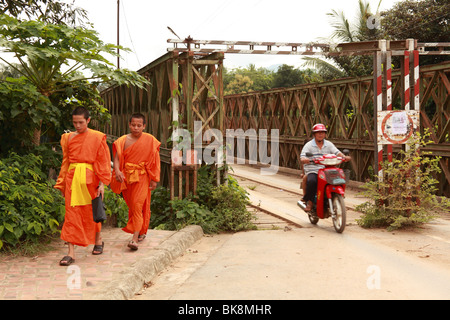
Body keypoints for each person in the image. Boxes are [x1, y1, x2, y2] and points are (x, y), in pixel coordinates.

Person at [54, 107, 111, 266]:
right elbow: (66, 162)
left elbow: (103, 161)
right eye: (74, 122)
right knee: (71, 215)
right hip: (72, 180)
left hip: (90, 180)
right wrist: (62, 182)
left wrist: (102, 184)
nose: (77, 125)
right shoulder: (67, 138)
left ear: (88, 120)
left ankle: (98, 240)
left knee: (93, 211)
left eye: (81, 122)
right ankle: (70, 253)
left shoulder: (97, 137)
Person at [111, 113, 161, 251]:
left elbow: (155, 160)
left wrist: (154, 179)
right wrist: (117, 171)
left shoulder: (150, 140)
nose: (136, 128)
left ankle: (134, 239)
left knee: (137, 205)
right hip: (126, 177)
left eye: (139, 125)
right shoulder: (123, 140)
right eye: (133, 125)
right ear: (129, 125)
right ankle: (141, 231)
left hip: (142, 177)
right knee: (132, 206)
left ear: (144, 126)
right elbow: (116, 159)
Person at [300, 124, 350, 212]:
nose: (320, 134)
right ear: (314, 134)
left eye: (322, 133)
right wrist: (305, 159)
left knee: (340, 177)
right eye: (318, 133)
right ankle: (310, 201)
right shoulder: (308, 145)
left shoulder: (329, 144)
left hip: (326, 168)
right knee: (312, 181)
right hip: (313, 169)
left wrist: (344, 157)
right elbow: (302, 156)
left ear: (325, 134)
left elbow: (337, 152)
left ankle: (338, 198)